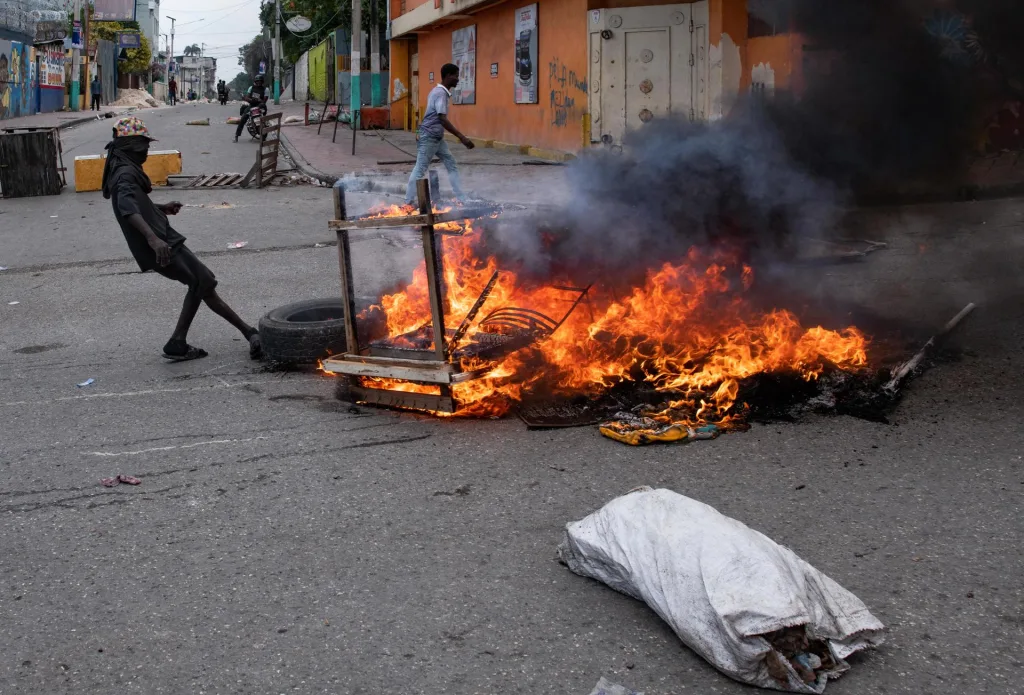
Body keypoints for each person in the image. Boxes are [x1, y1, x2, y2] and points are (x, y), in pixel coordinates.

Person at [102, 116, 261, 362]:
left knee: (203, 283)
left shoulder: (124, 169)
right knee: (202, 282)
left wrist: (161, 208)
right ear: (131, 145)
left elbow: (136, 204)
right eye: (144, 144)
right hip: (159, 244)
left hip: (163, 239)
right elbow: (127, 210)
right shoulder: (124, 174)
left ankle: (237, 334)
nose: (147, 150)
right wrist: (153, 240)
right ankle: (196, 339)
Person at [404, 63, 474, 205]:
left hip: (436, 138)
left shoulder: (438, 92)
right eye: (455, 75)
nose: (457, 79)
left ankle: (461, 197)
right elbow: (442, 118)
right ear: (448, 76)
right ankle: (408, 202)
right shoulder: (440, 93)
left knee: (451, 163)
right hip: (429, 137)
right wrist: (462, 138)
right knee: (420, 169)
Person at [234, 75, 268, 142]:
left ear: (262, 82)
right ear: (255, 81)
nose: (258, 83)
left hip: (260, 106)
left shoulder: (266, 89)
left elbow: (264, 100)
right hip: (252, 106)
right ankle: (237, 135)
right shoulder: (251, 88)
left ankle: (264, 131)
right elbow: (247, 97)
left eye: (260, 81)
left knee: (264, 119)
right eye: (257, 81)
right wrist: (250, 100)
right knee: (243, 119)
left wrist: (258, 101)